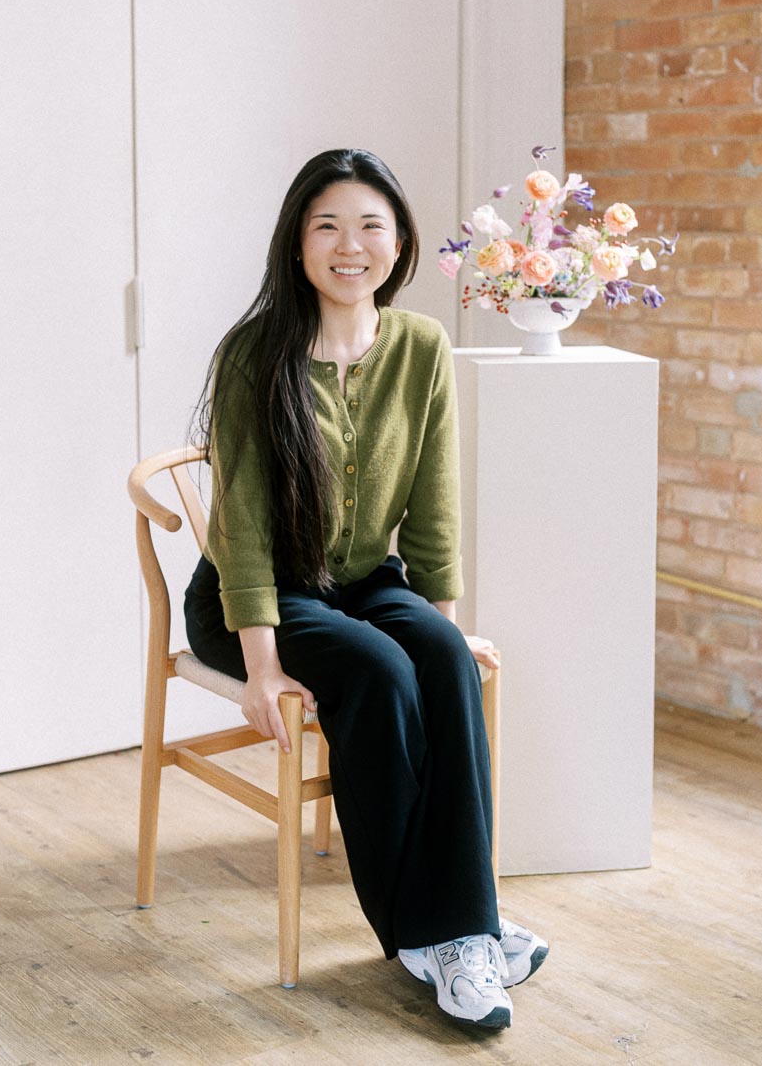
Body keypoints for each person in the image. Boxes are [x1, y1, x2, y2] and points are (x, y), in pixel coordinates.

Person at [185, 148, 548, 1030]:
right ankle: (444, 939)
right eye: (328, 226)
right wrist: (262, 668)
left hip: (362, 582)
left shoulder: (420, 346)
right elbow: (240, 526)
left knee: (439, 663)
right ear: (297, 243)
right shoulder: (252, 356)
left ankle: (462, 924)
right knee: (381, 674)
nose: (351, 245)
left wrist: (445, 624)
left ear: (399, 243)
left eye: (371, 226)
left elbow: (432, 501)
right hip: (255, 596)